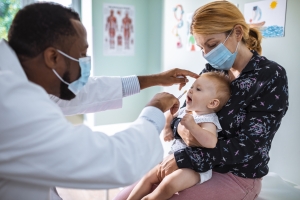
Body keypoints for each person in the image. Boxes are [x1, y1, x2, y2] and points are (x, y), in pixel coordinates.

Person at [0, 3, 199, 200]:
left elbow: (89, 90)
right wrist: (154, 110)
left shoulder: (22, 79)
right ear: (53, 57)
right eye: (81, 55)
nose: (85, 63)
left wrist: (156, 79)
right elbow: (117, 161)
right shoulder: (10, 106)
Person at [114, 1, 289, 200]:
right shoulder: (212, 71)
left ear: (238, 33)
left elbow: (251, 146)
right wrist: (180, 127)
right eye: (201, 47)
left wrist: (186, 156)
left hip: (235, 174)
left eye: (212, 45)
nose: (206, 54)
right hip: (189, 163)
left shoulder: (270, 76)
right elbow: (182, 112)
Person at [127, 72, 231, 200]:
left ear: (213, 103)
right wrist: (167, 129)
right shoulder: (185, 111)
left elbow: (211, 142)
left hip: (194, 168)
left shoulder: (208, 120)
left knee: (168, 184)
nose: (191, 90)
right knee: (147, 177)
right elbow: (170, 115)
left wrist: (193, 126)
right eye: (192, 86)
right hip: (173, 156)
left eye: (198, 89)